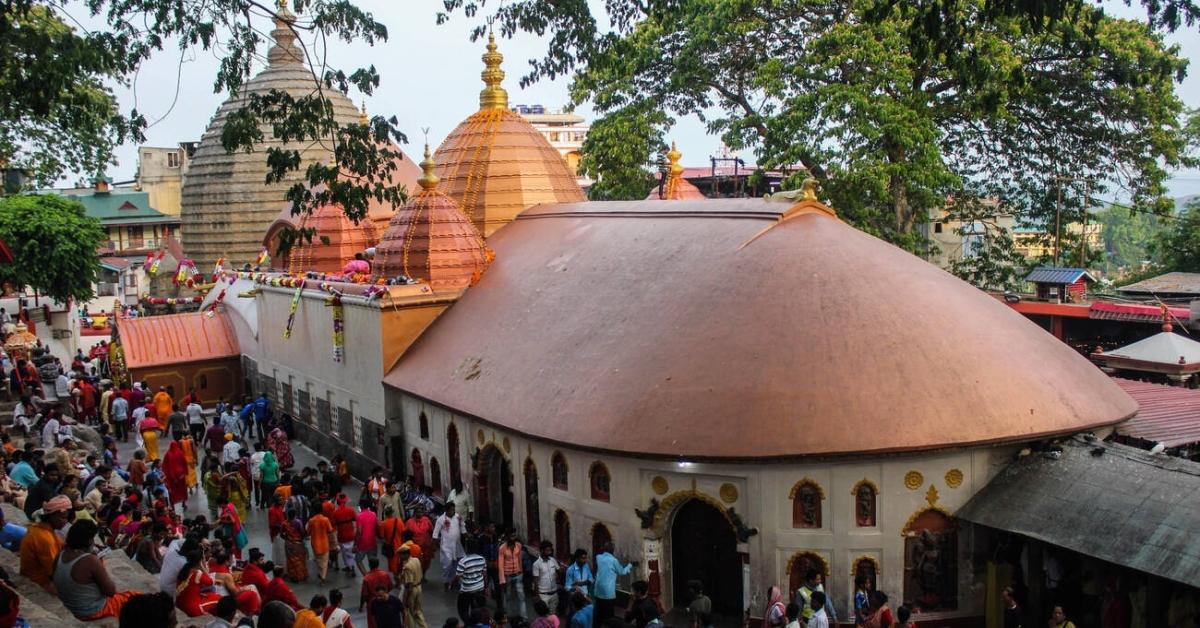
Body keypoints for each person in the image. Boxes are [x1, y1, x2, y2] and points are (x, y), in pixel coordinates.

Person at [52, 519, 138, 619]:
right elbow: (111, 592)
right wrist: (99, 562)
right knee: (135, 597)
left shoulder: (60, 554)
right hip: (91, 611)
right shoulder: (91, 561)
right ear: (89, 541)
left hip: (70, 606)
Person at [19, 494, 69, 591]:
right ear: (52, 517)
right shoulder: (45, 538)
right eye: (63, 518)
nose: (65, 521)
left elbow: (62, 545)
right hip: (39, 581)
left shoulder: (42, 529)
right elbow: (53, 571)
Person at [209, 548, 262, 615]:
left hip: (219, 598)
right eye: (231, 559)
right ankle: (256, 614)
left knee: (251, 587)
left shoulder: (211, 570)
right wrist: (243, 589)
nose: (232, 561)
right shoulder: (226, 575)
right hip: (226, 601)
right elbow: (235, 593)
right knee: (252, 593)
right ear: (226, 561)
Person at [593, 541, 634, 623]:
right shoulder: (613, 560)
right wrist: (630, 565)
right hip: (608, 593)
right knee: (609, 617)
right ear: (612, 550)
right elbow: (621, 572)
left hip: (598, 591)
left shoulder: (598, 557)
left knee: (598, 615)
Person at [454, 539, 488, 622]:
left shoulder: (463, 561)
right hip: (480, 587)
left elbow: (458, 576)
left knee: (463, 610)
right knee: (477, 609)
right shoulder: (482, 559)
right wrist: (486, 587)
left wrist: (453, 584)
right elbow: (484, 574)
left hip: (467, 589)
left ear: (466, 548)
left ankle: (468, 623)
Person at [433, 502, 466, 585]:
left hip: (457, 546)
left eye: (454, 509)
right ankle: (446, 582)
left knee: (459, 564)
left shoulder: (458, 517)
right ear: (446, 510)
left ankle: (456, 580)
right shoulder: (441, 519)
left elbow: (462, 527)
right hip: (446, 546)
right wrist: (436, 543)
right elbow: (435, 534)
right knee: (447, 565)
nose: (453, 511)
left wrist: (465, 534)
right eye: (451, 510)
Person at [497, 531, 526, 617]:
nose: (513, 538)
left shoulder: (518, 545)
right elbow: (500, 564)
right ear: (507, 537)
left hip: (518, 574)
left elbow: (519, 558)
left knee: (521, 597)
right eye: (511, 536)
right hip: (507, 575)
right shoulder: (502, 548)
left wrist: (521, 571)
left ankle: (524, 617)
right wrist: (502, 579)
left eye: (514, 536)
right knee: (508, 596)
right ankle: (509, 616)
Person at [360, 557, 395, 628]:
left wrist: (361, 606)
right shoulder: (385, 574)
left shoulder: (367, 578)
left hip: (372, 604)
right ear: (378, 564)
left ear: (369, 565)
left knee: (373, 623)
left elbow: (364, 594)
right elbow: (391, 586)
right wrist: (384, 594)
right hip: (385, 601)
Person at [332, 493, 359, 575]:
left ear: (337, 501)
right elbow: (356, 519)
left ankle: (349, 567)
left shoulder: (335, 512)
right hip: (351, 534)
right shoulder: (350, 510)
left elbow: (333, 524)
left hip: (342, 536)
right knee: (350, 552)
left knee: (344, 553)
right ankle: (352, 566)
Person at [308, 506, 335, 584]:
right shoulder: (325, 519)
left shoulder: (311, 521)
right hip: (324, 543)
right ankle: (323, 577)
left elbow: (308, 532)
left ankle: (321, 574)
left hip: (315, 543)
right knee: (324, 561)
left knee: (318, 560)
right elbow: (330, 530)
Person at [532, 541, 561, 612]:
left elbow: (559, 571)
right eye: (547, 550)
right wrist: (536, 596)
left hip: (554, 593)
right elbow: (535, 581)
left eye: (550, 550)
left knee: (553, 616)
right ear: (542, 550)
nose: (549, 552)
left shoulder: (553, 560)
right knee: (544, 617)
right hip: (543, 595)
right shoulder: (536, 564)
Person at [405, 503, 434, 572]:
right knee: (415, 562)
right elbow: (405, 534)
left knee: (425, 561)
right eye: (418, 512)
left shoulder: (426, 520)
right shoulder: (409, 522)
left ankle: (423, 575)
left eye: (421, 512)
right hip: (414, 547)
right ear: (415, 513)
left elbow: (431, 531)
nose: (419, 514)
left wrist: (432, 543)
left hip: (426, 546)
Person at [283, 508, 310, 582]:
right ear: (295, 515)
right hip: (298, 543)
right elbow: (302, 532)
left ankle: (293, 576)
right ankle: (301, 575)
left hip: (289, 544)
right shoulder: (298, 522)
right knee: (300, 559)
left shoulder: (284, 523)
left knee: (291, 560)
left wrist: (287, 538)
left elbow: (281, 533)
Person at [162, 439, 188, 511]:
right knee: (182, 490)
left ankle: (173, 506)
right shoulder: (180, 453)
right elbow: (184, 463)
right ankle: (184, 503)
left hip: (171, 477)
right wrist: (186, 472)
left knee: (172, 492)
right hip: (181, 475)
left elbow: (164, 465)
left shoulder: (168, 454)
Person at [355, 496, 379, 575]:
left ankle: (366, 575)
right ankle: (374, 576)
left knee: (358, 560)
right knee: (372, 561)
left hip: (362, 543)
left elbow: (359, 531)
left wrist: (355, 544)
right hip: (372, 542)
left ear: (361, 506)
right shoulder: (373, 514)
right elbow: (377, 527)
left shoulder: (359, 516)